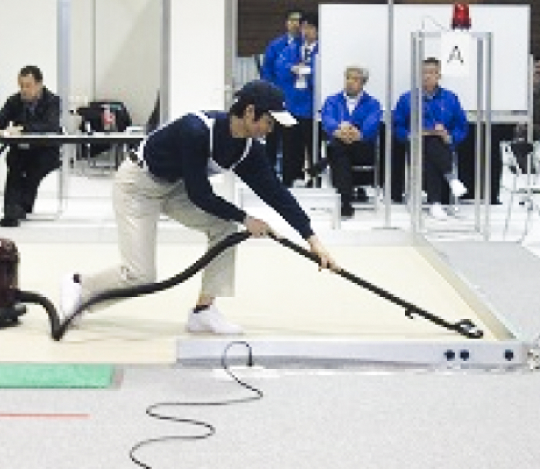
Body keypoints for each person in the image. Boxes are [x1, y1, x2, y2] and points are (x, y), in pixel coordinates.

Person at [58, 80, 335, 335]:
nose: (270, 130)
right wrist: (246, 218)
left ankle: (203, 311)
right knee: (141, 275)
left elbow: (275, 193)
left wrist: (312, 239)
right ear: (250, 112)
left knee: (225, 230)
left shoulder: (248, 149)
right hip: (138, 185)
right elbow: (200, 194)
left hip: (175, 187)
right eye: (269, 122)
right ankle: (80, 285)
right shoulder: (197, 129)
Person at [393, 57, 468, 220]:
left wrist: (449, 136)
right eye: (424, 72)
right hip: (416, 144)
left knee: (433, 145)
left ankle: (433, 200)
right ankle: (449, 181)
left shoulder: (450, 98)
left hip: (443, 144)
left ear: (439, 75)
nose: (427, 76)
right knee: (428, 144)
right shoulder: (407, 99)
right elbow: (398, 125)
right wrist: (410, 135)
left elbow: (461, 126)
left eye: (432, 72)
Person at [0, 66, 62, 227]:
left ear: (39, 84)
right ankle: (10, 214)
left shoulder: (52, 101)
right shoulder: (14, 100)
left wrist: (23, 129)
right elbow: (1, 117)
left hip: (46, 150)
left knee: (34, 168)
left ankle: (21, 206)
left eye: (28, 85)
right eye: (21, 85)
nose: (24, 90)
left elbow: (51, 126)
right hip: (21, 149)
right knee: (14, 166)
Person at [318, 66, 382, 219]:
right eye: (348, 78)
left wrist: (356, 134)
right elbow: (327, 120)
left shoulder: (373, 103)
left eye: (355, 79)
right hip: (340, 143)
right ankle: (345, 200)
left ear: (363, 83)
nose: (350, 82)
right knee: (339, 149)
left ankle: (324, 166)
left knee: (337, 149)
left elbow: (371, 126)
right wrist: (339, 130)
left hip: (362, 147)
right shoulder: (332, 100)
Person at [275, 11, 319, 188]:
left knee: (313, 144)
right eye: (303, 27)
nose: (306, 31)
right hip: (292, 102)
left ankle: (315, 179)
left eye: (310, 28)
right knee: (290, 145)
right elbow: (279, 66)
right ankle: (290, 179)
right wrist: (291, 68)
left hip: (312, 105)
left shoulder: (323, 49)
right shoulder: (293, 48)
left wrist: (310, 70)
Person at [260, 8, 303, 171]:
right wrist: (271, 94)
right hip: (277, 97)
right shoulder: (276, 45)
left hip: (298, 100)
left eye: (298, 21)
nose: (295, 24)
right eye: (291, 20)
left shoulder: (305, 45)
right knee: (272, 136)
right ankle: (269, 171)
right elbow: (267, 71)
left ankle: (292, 175)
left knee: (293, 141)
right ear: (286, 23)